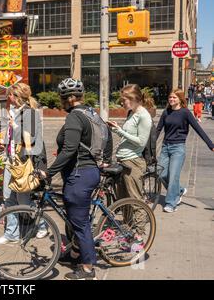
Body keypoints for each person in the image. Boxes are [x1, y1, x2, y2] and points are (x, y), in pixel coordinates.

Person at [41, 78, 113, 280]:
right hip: (87, 172)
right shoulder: (92, 113)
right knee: (75, 219)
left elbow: (70, 149)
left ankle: (88, 269)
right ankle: (74, 254)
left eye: (62, 97)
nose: (61, 101)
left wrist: (49, 171)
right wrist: (104, 160)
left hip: (79, 175)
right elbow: (108, 135)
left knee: (80, 224)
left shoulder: (74, 116)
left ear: (70, 98)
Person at [0, 83, 48, 245]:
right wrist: (4, 143)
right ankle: (12, 233)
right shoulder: (17, 111)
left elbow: (28, 138)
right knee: (8, 198)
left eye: (10, 95)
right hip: (12, 160)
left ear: (17, 96)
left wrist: (14, 125)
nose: (8, 98)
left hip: (23, 162)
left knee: (23, 200)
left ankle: (43, 224)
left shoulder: (30, 113)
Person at [107, 84, 153, 248]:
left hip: (133, 162)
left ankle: (139, 236)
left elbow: (141, 141)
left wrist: (120, 131)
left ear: (134, 98)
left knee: (135, 200)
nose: (122, 103)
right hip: (123, 161)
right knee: (124, 200)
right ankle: (128, 231)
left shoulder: (144, 116)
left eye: (124, 100)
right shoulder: (132, 113)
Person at [156, 89, 214, 213]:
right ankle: (179, 190)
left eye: (174, 98)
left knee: (173, 176)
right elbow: (158, 130)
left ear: (180, 99)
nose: (171, 99)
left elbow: (198, 129)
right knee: (161, 174)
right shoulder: (166, 112)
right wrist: (149, 146)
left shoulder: (185, 113)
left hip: (178, 148)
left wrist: (211, 145)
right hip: (165, 147)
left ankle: (171, 203)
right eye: (170, 97)